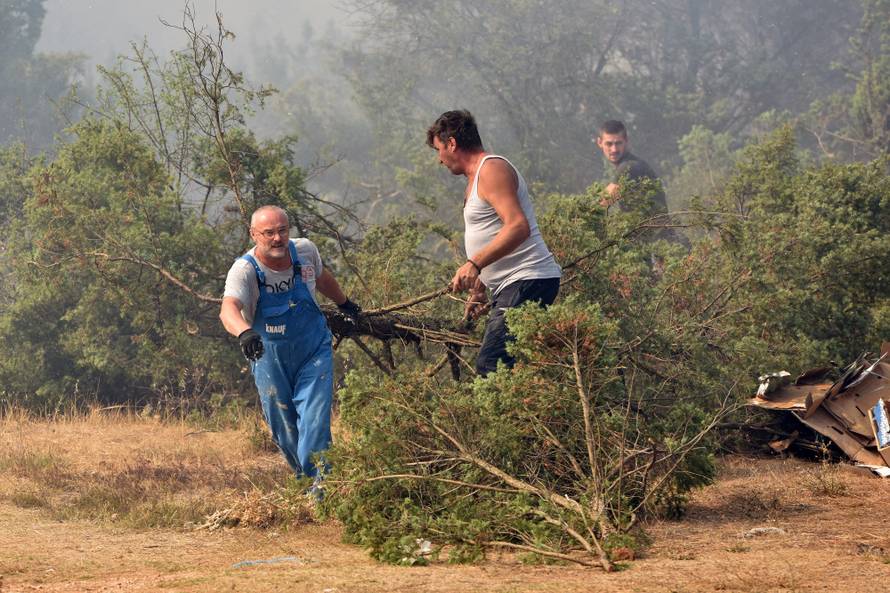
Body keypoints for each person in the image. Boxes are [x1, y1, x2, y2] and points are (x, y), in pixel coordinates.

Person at [219, 205, 361, 486]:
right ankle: (304, 481)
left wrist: (345, 304)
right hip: (269, 355)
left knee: (315, 419)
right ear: (253, 234)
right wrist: (245, 333)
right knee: (284, 426)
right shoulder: (245, 270)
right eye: (268, 233)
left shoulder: (305, 251)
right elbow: (228, 309)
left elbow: (322, 278)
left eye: (282, 231)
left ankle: (323, 489)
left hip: (313, 349)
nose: (277, 239)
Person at [427, 110, 562, 377]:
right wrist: (480, 287)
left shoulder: (492, 169)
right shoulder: (476, 177)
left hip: (527, 279)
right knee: (511, 366)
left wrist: (474, 263)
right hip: (513, 285)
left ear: (452, 143)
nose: (439, 160)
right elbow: (493, 232)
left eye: (438, 149)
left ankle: (511, 418)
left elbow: (517, 226)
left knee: (491, 365)